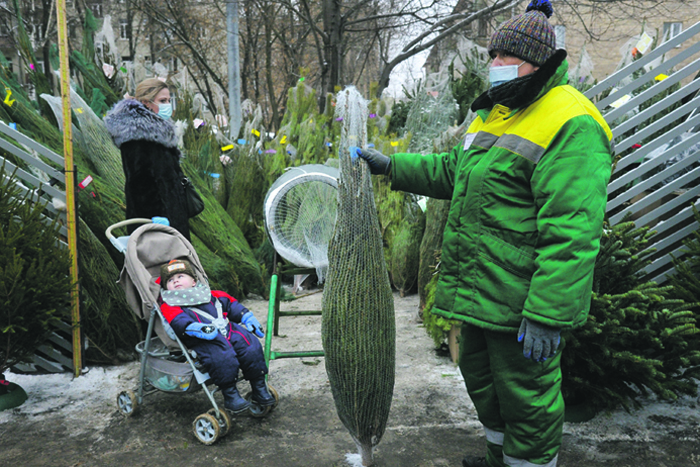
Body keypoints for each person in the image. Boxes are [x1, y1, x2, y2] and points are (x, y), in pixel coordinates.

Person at [357, 1, 613, 466]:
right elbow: (454, 170)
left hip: (520, 301)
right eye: (492, 55)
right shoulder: (495, 112)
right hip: (478, 290)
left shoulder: (570, 120)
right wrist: (392, 166)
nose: (492, 65)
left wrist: (548, 313)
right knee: (483, 386)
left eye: (502, 57)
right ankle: (500, 460)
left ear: (536, 61)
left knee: (527, 402)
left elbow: (573, 231)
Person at [158, 259, 275, 413]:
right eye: (170, 280)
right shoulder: (170, 305)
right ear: (166, 287)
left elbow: (232, 305)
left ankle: (259, 386)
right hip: (202, 337)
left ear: (194, 281)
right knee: (220, 356)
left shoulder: (212, 295)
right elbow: (178, 322)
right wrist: (196, 328)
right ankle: (230, 394)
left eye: (180, 276)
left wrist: (246, 317)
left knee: (249, 344)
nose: (176, 281)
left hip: (228, 328)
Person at [104, 78, 191, 240]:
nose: (168, 105)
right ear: (146, 103)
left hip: (170, 220)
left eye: (169, 100)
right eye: (162, 101)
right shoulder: (136, 135)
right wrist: (155, 220)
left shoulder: (159, 134)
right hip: (153, 224)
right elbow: (139, 183)